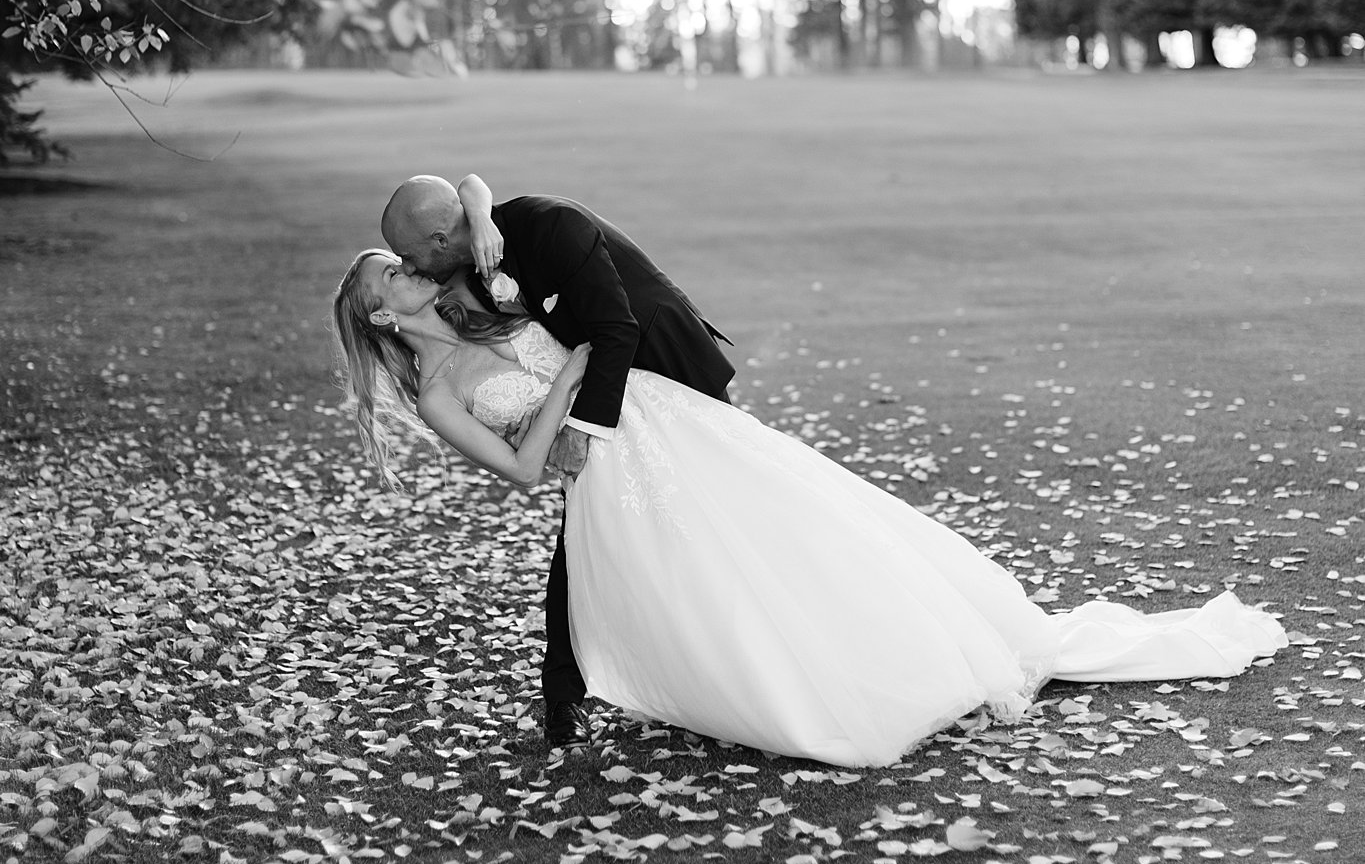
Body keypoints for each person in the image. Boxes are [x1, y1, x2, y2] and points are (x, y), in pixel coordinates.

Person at [333, 252, 1288, 770]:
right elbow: (521, 469)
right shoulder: (438, 388)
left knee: (792, 531)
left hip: (667, 425)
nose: (415, 274)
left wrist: (578, 366)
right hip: (604, 471)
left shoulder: (484, 309)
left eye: (407, 264)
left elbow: (488, 217)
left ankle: (887, 649)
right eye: (395, 278)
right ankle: (777, 688)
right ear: (382, 315)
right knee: (709, 581)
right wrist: (569, 383)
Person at [378, 174, 734, 748]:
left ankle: (731, 654)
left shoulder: (547, 227)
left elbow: (616, 330)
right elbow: (468, 189)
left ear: (442, 239)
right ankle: (568, 697)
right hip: (597, 414)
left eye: (407, 253)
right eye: (396, 264)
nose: (407, 262)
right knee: (589, 546)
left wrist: (579, 427)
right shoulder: (462, 283)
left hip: (665, 371)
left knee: (725, 515)